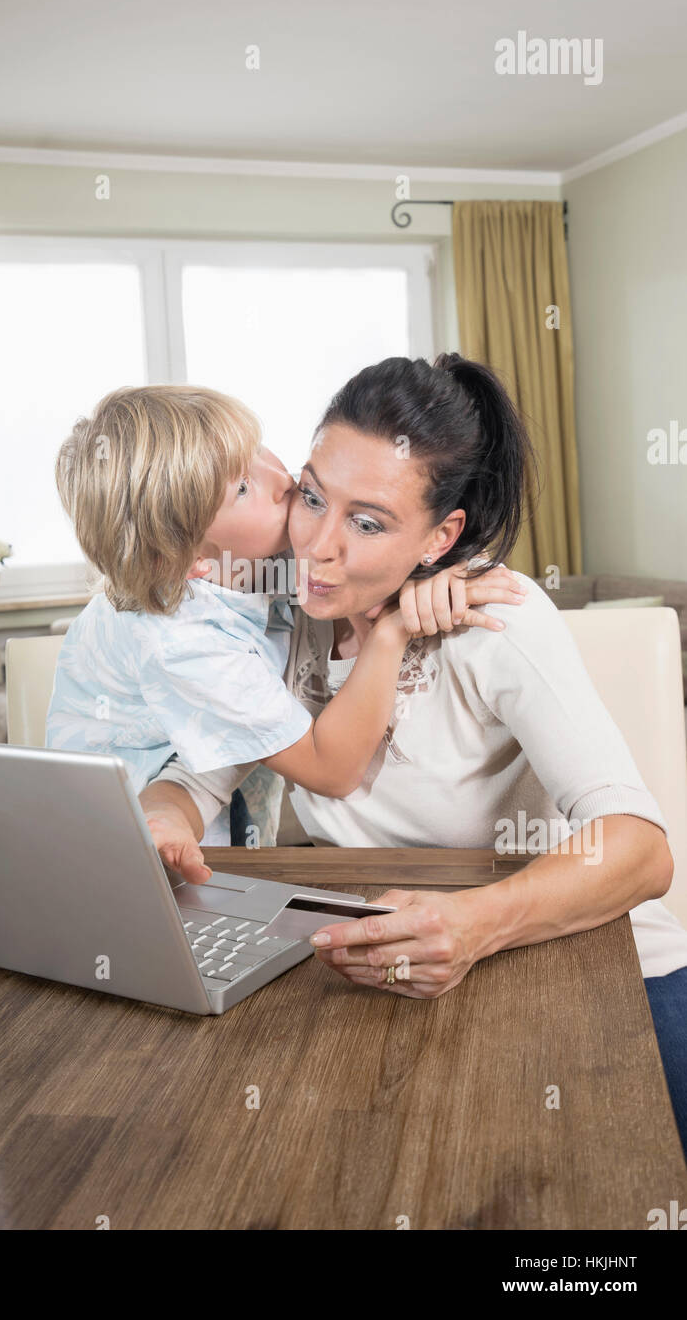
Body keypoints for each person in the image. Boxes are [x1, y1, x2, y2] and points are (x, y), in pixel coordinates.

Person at [140, 354, 687, 1160]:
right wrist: (162, 817)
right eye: (313, 497)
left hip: (598, 971)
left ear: (441, 536)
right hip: (395, 972)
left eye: (367, 523)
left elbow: (640, 849)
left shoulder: (498, 617)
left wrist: (474, 922)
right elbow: (198, 773)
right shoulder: (280, 616)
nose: (317, 548)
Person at [46, 382, 524, 866]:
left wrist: (439, 565)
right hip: (132, 836)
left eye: (256, 449)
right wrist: (392, 630)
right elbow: (331, 769)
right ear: (191, 561)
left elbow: (386, 534)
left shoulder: (250, 554)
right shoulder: (183, 643)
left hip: (215, 776)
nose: (281, 477)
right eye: (241, 488)